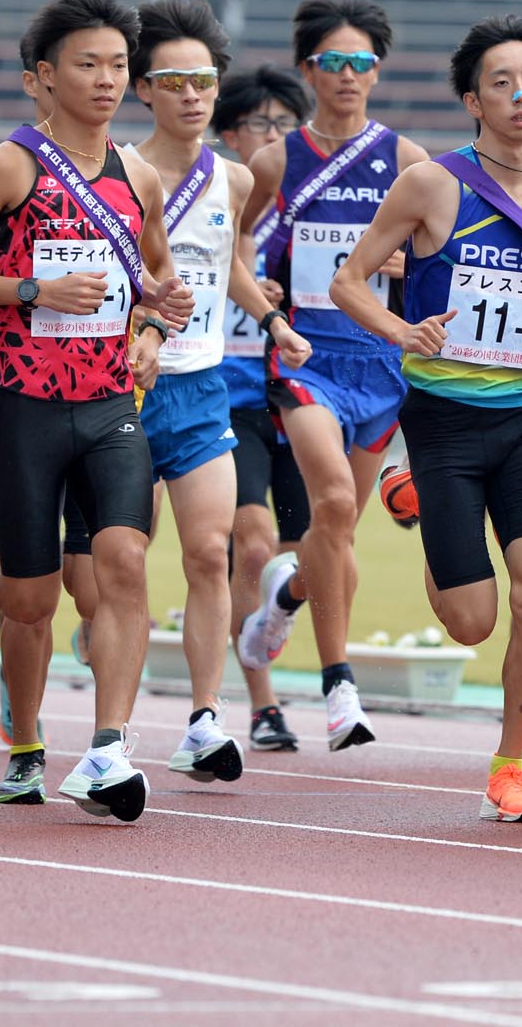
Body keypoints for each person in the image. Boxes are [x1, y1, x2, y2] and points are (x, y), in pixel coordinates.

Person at [0, 0, 193, 821]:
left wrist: (154, 316)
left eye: (117, 66)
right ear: (42, 76)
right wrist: (36, 287)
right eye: (88, 65)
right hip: (24, 401)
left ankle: (108, 748)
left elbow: (154, 276)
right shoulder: (10, 165)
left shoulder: (137, 173)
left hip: (111, 399)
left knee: (124, 563)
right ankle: (27, 740)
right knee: (31, 601)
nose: (108, 80)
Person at [330, 15, 522, 823]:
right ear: (472, 101)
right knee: (468, 620)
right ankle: (415, 493)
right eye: (502, 82)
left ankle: (510, 764)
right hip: (443, 422)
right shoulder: (432, 185)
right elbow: (350, 282)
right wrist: (399, 329)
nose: (521, 95)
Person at [236, 0, 427, 754]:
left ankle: (284, 597)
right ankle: (339, 685)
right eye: (333, 63)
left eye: (362, 63)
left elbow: (438, 252)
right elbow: (230, 245)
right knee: (336, 499)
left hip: (381, 362)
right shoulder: (275, 161)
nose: (348, 75)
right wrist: (263, 299)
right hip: (307, 357)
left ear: (377, 72)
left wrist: (412, 263)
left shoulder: (406, 161)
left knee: (336, 527)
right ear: (308, 69)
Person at [128, 0, 311, 783]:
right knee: (113, 568)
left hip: (203, 384)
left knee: (209, 552)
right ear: (144, 90)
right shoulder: (120, 173)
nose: (195, 95)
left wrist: (271, 323)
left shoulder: (233, 178)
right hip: (120, 389)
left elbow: (227, 264)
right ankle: (109, 722)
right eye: (175, 81)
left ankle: (205, 718)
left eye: (205, 80)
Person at [211, 64, 315, 752]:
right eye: (261, 125)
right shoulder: (206, 200)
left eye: (286, 125)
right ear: (229, 136)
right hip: (228, 389)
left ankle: (266, 627)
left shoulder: (316, 205)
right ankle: (262, 702)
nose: (275, 137)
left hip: (305, 393)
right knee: (249, 544)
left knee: (306, 555)